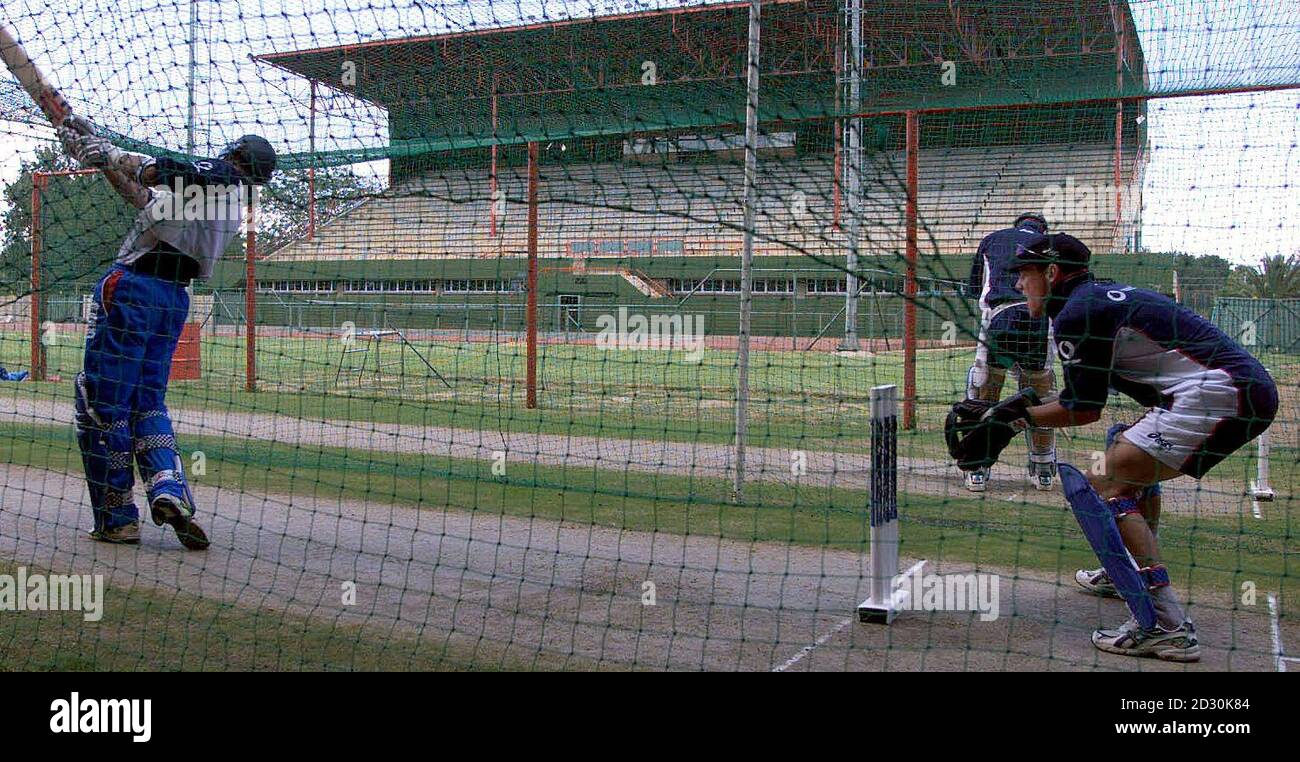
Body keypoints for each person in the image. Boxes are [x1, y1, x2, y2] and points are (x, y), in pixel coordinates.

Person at [947, 232, 1277, 661]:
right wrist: (1014, 411)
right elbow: (1079, 400)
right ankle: (1128, 575)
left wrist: (1009, 419)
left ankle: (1166, 625)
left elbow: (1082, 408)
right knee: (1120, 445)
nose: (1020, 284)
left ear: (1052, 273)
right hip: (1231, 391)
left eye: (1026, 274)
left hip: (1217, 395)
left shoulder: (1076, 314)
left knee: (1107, 481)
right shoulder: (1094, 301)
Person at [57, 116, 276, 548]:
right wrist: (99, 154)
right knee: (147, 402)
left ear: (232, 156)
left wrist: (114, 154)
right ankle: (167, 487)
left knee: (101, 404)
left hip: (134, 287)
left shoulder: (212, 180)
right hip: (173, 301)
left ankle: (117, 515)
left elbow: (164, 176)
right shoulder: (224, 203)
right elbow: (144, 198)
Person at [961, 212, 1057, 492]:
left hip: (1000, 316)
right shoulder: (1050, 244)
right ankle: (1043, 469)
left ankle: (976, 466)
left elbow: (977, 288)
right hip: (1039, 320)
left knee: (984, 390)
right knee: (1040, 394)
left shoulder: (992, 239)